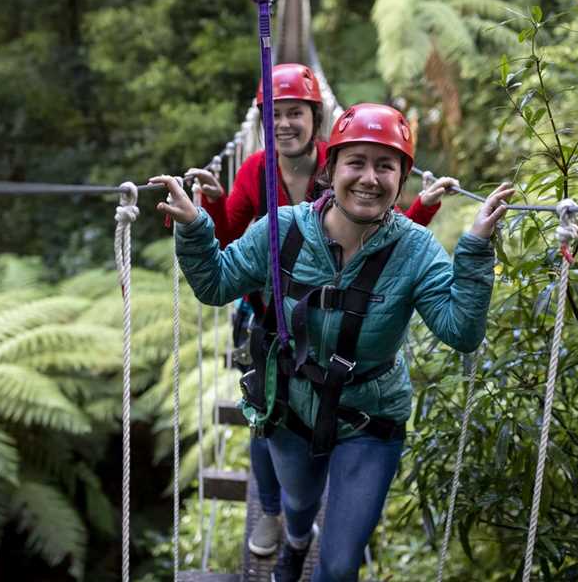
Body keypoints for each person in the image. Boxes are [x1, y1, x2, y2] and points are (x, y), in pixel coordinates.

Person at [152, 102, 513, 582]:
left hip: (370, 416)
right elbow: (216, 285)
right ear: (333, 169)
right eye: (356, 163)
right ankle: (296, 540)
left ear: (402, 178)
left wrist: (475, 249)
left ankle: (307, 549)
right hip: (291, 405)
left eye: (385, 166)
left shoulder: (417, 248)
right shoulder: (282, 229)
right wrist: (196, 228)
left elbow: (461, 331)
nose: (369, 178)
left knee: (340, 567)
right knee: (298, 504)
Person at [183, 64, 458, 558]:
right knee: (266, 409)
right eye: (276, 115)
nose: (286, 124)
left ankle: (294, 523)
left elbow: (379, 250)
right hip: (267, 314)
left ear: (316, 120)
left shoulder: (348, 168)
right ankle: (274, 512)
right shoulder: (255, 171)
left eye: (296, 113)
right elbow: (234, 248)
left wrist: (425, 212)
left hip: (343, 339)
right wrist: (209, 210)